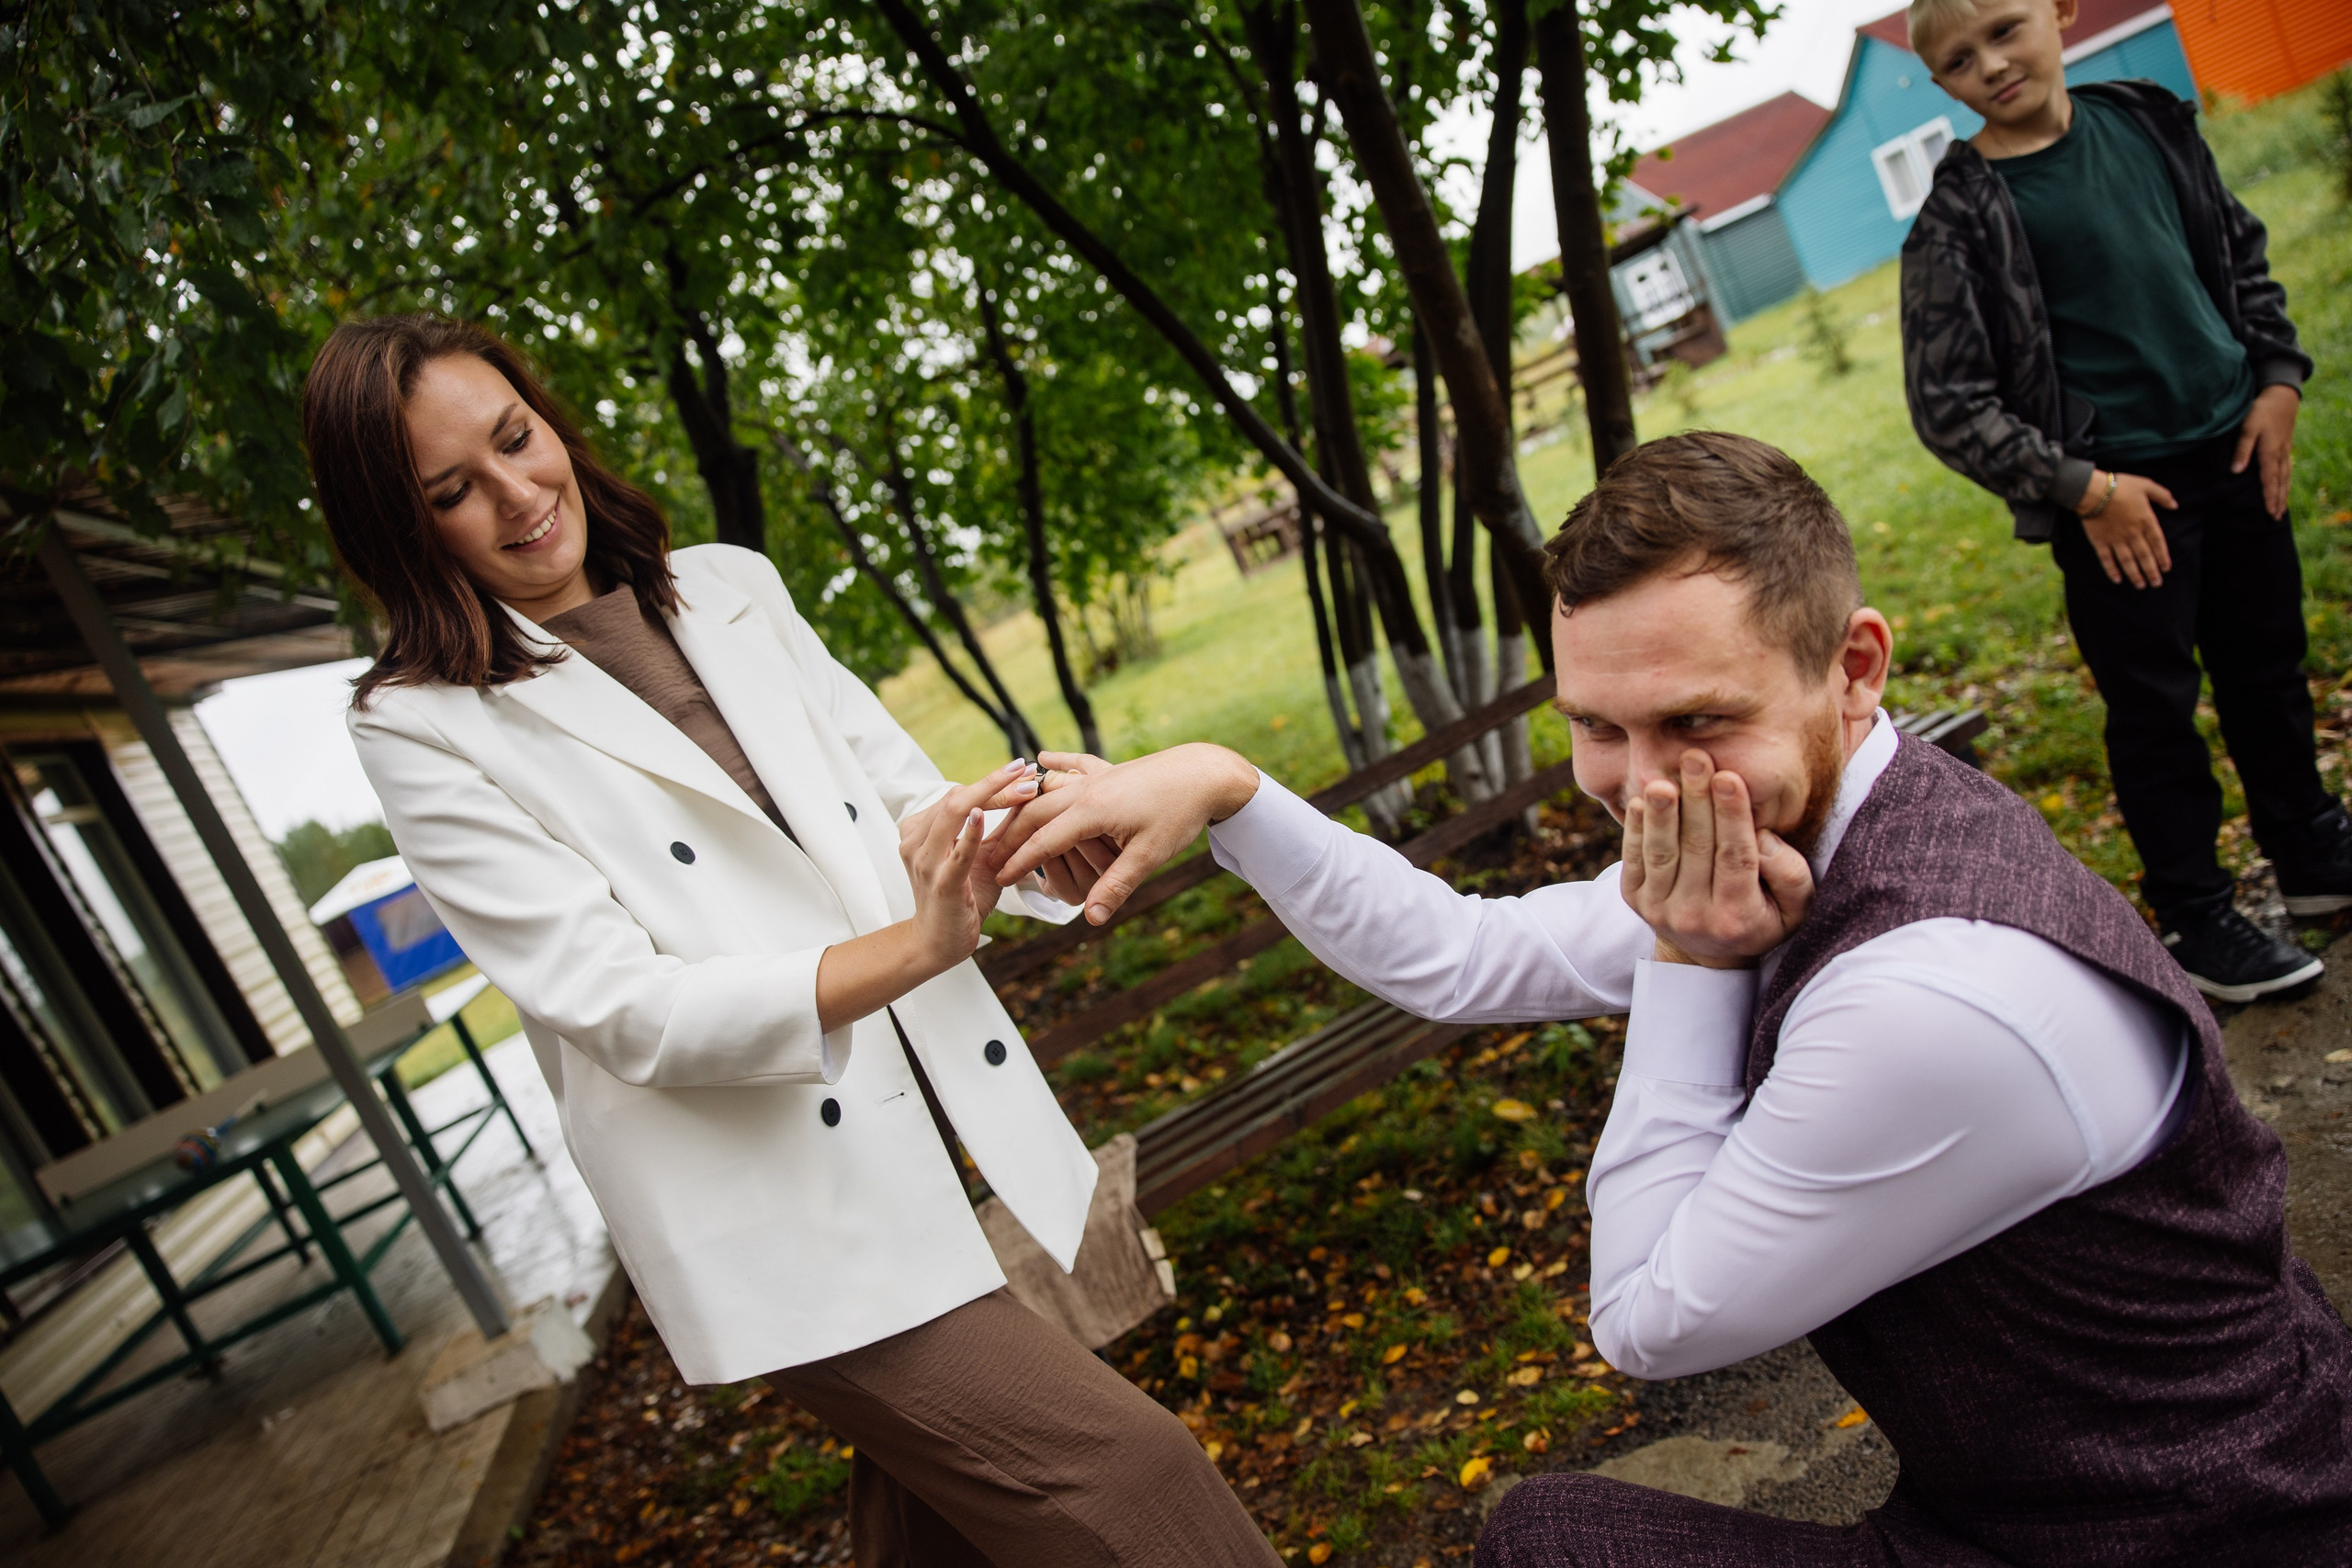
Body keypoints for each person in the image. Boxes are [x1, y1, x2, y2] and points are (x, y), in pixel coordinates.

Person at [989, 432, 2352, 1566]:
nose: (1641, 784)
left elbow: (1648, 1317)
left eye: (1696, 720)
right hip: (2026, 1502)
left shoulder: (1934, 994)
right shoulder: (1798, 820)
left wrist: (1693, 967)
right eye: (1595, 725)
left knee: (1555, 1541)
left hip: (2192, 1531)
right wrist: (1233, 789)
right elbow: (1465, 954)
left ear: (1856, 666)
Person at [308, 313, 1279, 1568]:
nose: (518, 494)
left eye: (517, 437)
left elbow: (895, 803)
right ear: (401, 528)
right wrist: (920, 945)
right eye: (453, 490)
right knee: (1135, 1478)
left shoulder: (728, 585)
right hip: (781, 1211)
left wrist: (1036, 835)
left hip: (925, 1123)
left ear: (549, 418)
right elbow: (625, 1010)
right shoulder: (421, 726)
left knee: (948, 1522)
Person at [1898, 0, 2340, 1000]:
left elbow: (2235, 254)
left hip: (2233, 446)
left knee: (2267, 665)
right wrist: (2081, 490)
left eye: (2007, 28)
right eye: (1960, 61)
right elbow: (1948, 404)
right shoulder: (1959, 216)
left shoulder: (2146, 119)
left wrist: (2275, 378)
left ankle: (2312, 855)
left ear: (2058, 11)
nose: (1993, 64)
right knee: (2154, 711)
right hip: (2121, 500)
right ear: (1942, 85)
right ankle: (2196, 919)